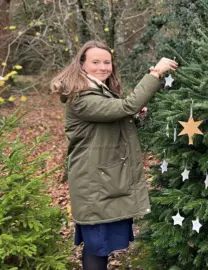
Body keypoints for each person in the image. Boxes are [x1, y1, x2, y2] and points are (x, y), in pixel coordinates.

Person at [51, 40, 178, 270]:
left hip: (103, 180)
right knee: (96, 247)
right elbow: (125, 106)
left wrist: (134, 116)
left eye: (107, 62)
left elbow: (113, 119)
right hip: (94, 184)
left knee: (100, 245)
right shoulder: (81, 97)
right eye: (95, 62)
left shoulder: (99, 91)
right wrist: (156, 73)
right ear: (81, 65)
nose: (103, 67)